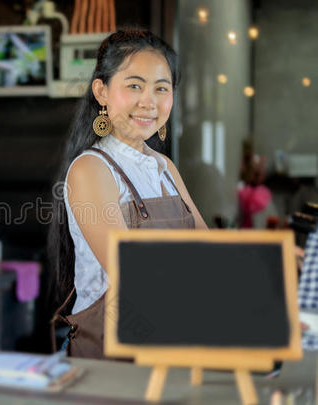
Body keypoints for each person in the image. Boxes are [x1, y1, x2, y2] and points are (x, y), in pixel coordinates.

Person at [48, 30, 207, 358]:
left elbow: (208, 249)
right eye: (134, 85)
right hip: (113, 358)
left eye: (161, 88)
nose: (149, 101)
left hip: (175, 344)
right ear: (101, 91)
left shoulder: (164, 167)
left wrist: (263, 263)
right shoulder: (91, 168)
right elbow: (134, 274)